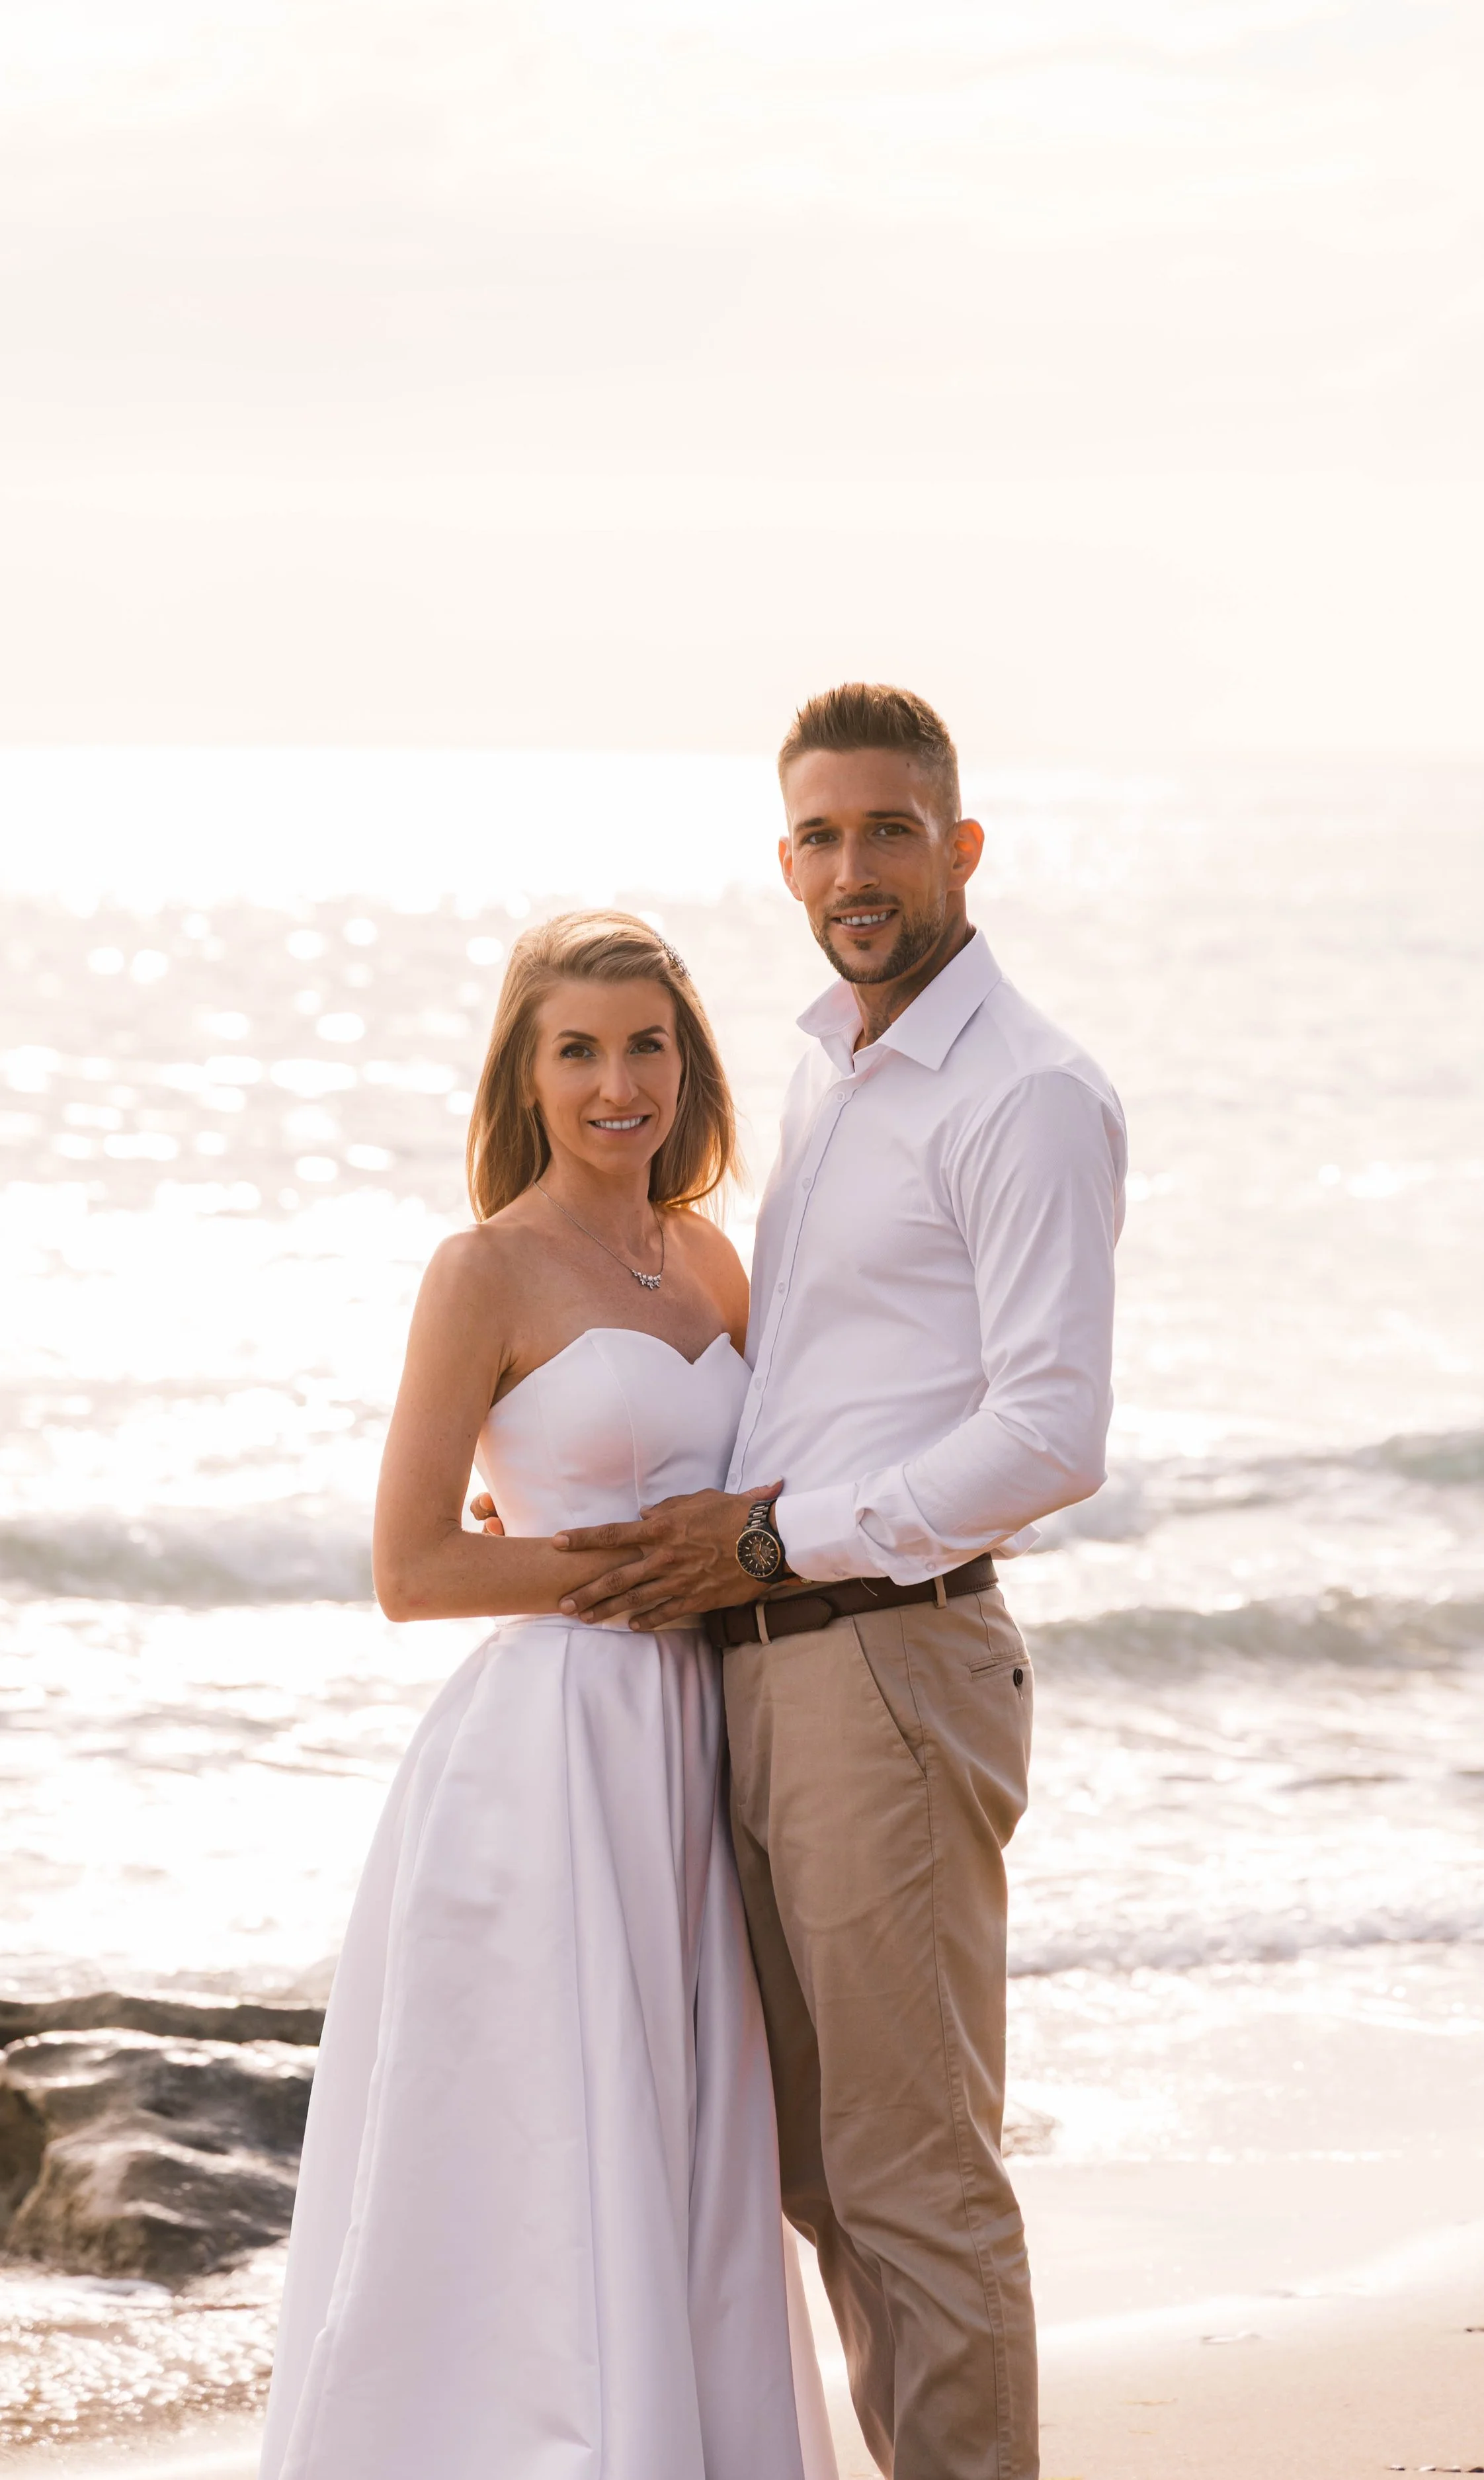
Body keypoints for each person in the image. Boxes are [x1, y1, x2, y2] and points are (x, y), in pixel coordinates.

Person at [550, 684, 1128, 2480]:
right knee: (812, 2167)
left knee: (911, 2175)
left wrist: (767, 1538)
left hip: (885, 1659)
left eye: (888, 829)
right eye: (820, 835)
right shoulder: (828, 1067)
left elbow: (1050, 1431)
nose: (853, 866)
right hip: (767, 1665)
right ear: (785, 860)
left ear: (960, 847)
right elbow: (816, 1380)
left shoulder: (1024, 1095)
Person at [258, 911, 836, 2480]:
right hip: (550, 1752)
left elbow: (769, 1495)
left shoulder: (712, 1259)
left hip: (699, 1744)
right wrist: (627, 1570)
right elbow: (411, 1567)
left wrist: (731, 1565)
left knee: (689, 2137)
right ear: (524, 1076)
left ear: (687, 1065)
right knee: (541, 2147)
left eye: (645, 1046)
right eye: (575, 1051)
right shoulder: (483, 1270)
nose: (614, 1084)